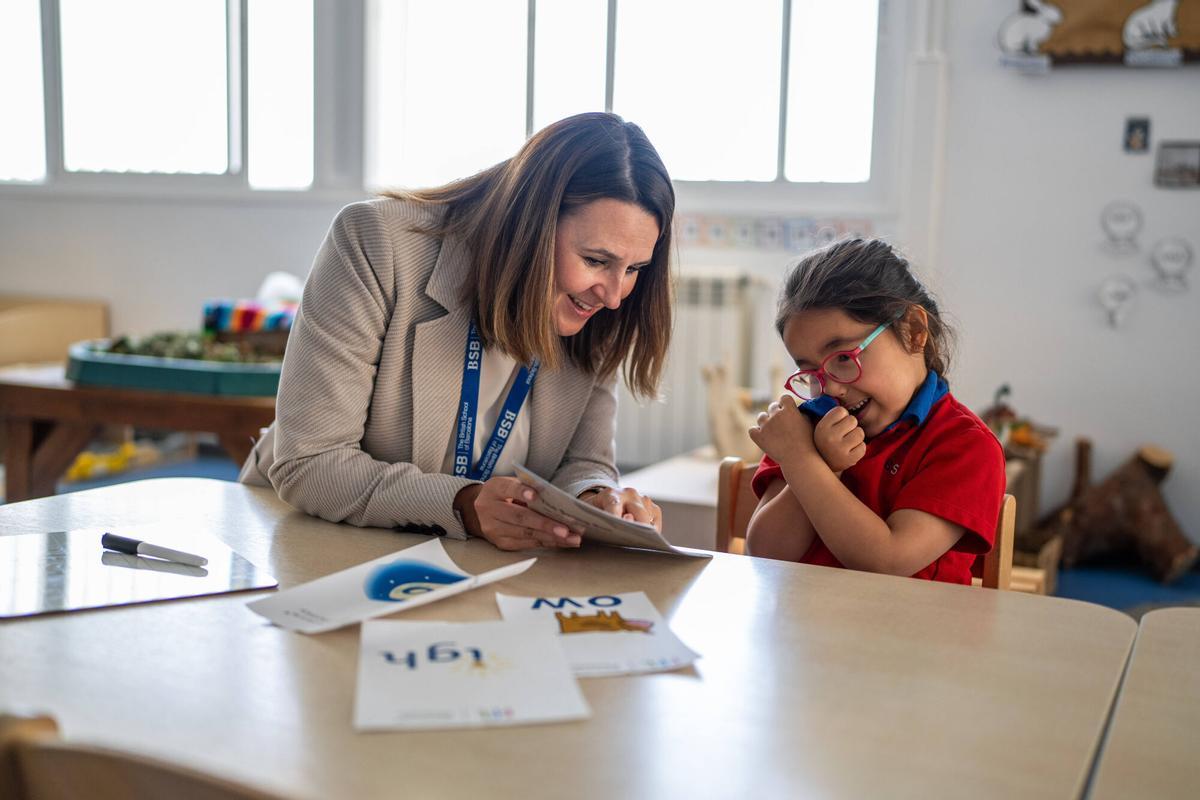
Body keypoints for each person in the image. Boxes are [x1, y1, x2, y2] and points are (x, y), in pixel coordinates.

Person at [239, 113, 673, 551]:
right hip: (304, 533)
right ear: (532, 225)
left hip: (464, 559)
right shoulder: (376, 242)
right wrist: (463, 504)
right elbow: (311, 462)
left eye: (634, 268)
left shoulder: (599, 309)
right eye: (596, 260)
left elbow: (583, 461)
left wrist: (597, 497)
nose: (614, 296)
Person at [746, 239, 1005, 584]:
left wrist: (804, 461)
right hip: (803, 616)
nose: (831, 388)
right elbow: (765, 553)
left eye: (843, 357)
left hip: (911, 620)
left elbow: (887, 561)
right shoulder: (806, 425)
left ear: (914, 331)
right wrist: (819, 463)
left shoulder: (965, 446)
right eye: (811, 373)